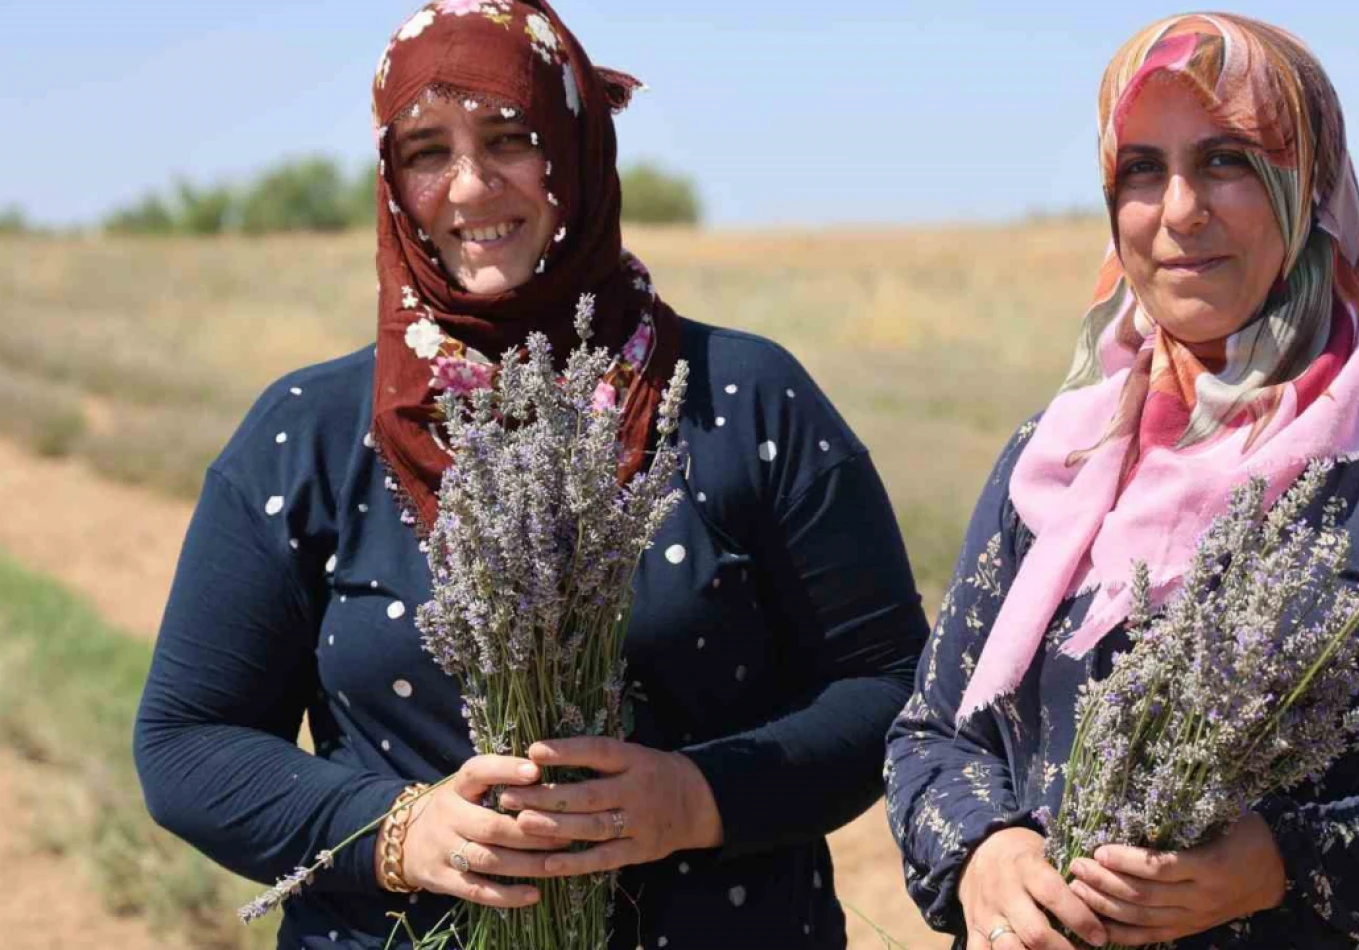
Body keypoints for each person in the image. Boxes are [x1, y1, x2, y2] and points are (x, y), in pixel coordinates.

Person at [133, 2, 928, 948]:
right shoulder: (304, 435)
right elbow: (187, 744)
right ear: (392, 179)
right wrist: (398, 832)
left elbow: (893, 688)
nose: (470, 188)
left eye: (511, 138)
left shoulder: (744, 401)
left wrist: (698, 798)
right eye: (427, 150)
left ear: (580, 147)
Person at [884, 13, 1359, 950]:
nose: (1180, 211)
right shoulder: (1062, 459)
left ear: (1310, 186)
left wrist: (1292, 862)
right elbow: (933, 736)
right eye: (1142, 170)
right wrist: (985, 853)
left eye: (1230, 160)